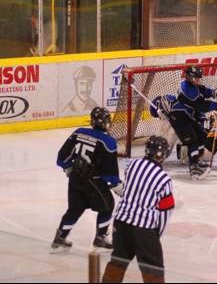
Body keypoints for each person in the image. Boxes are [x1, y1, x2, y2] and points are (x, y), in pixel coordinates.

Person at [102, 136, 174, 283]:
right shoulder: (164, 179)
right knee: (153, 269)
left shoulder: (132, 165)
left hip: (121, 223)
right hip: (144, 229)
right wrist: (155, 235)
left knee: (118, 261)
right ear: (164, 155)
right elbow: (165, 212)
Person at [51, 107, 122, 253]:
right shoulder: (108, 142)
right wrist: (116, 185)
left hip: (76, 178)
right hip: (94, 181)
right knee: (107, 206)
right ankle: (100, 238)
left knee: (75, 208)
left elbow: (62, 156)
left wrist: (68, 167)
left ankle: (60, 237)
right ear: (107, 123)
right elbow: (109, 171)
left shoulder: (79, 132)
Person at [170, 65, 217, 179]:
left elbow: (203, 90)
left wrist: (215, 92)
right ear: (189, 77)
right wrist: (216, 103)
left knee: (202, 136)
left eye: (198, 78)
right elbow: (200, 105)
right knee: (193, 142)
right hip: (179, 118)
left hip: (189, 117)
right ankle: (193, 166)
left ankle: (197, 160)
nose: (198, 80)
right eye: (195, 78)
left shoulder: (193, 85)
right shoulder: (186, 89)